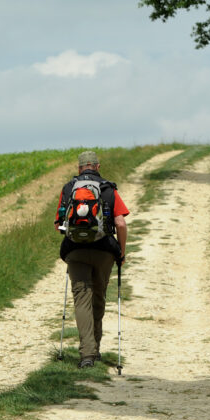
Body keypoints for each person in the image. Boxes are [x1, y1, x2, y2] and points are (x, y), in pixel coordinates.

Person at [54, 150, 128, 369]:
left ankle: (87, 354)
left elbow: (59, 224)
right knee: (98, 298)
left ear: (79, 168)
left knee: (81, 300)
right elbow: (121, 224)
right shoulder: (108, 189)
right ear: (97, 166)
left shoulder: (68, 189)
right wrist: (121, 253)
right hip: (104, 250)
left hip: (75, 250)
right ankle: (95, 349)